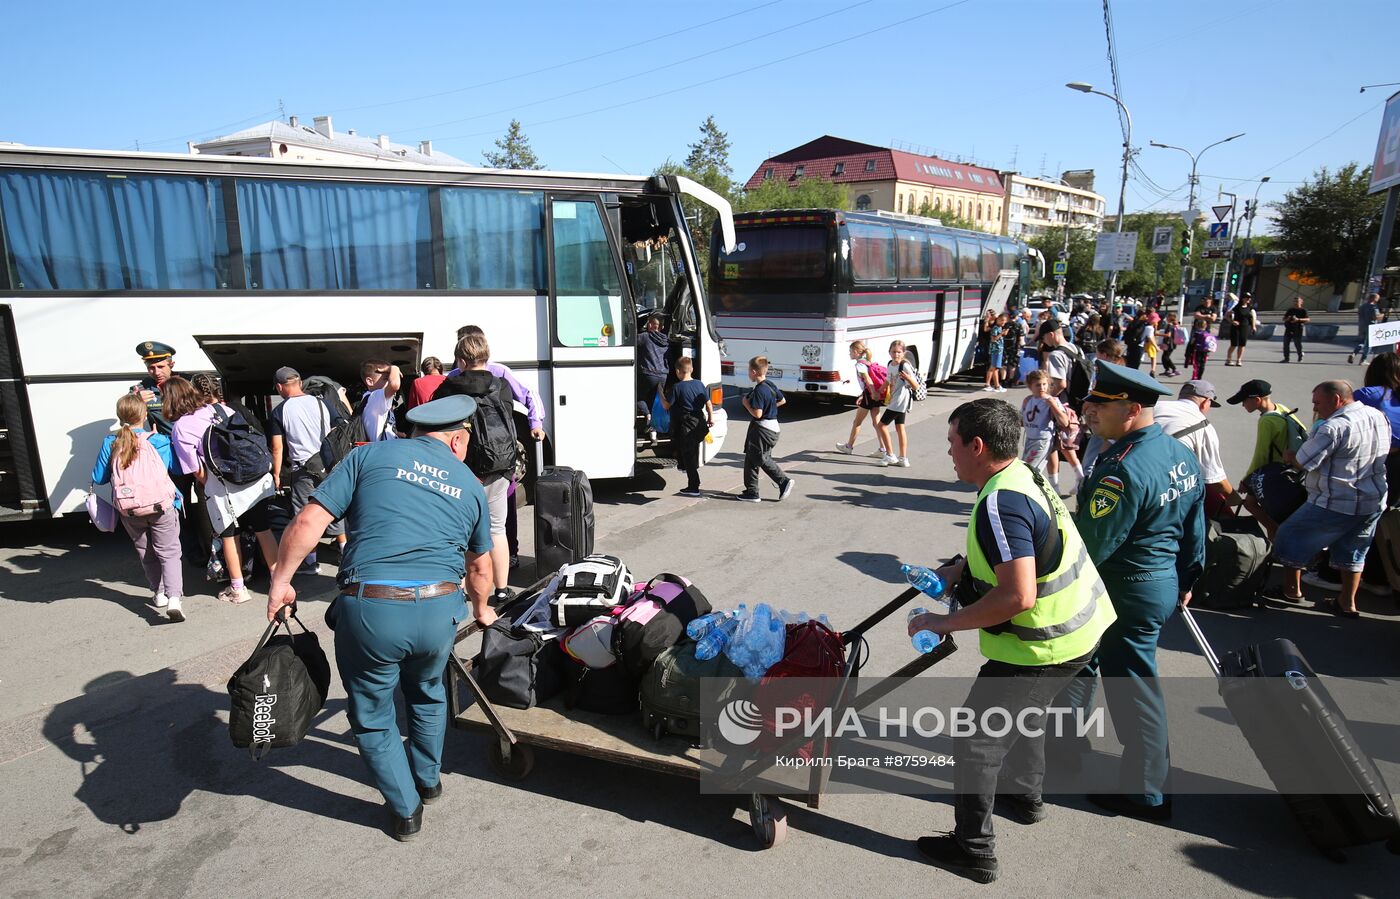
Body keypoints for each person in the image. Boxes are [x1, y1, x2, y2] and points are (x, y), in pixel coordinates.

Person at [266, 394, 495, 841]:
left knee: (373, 711)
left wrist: (281, 583)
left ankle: (405, 809)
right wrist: (483, 609)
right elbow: (480, 568)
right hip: (438, 609)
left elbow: (308, 523)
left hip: (372, 610)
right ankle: (428, 782)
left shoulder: (367, 456)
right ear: (457, 440)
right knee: (428, 692)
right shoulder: (469, 484)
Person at [909, 398, 1114, 885]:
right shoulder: (1023, 475)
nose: (950, 453)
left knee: (976, 742)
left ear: (977, 446)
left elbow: (1018, 595)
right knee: (1028, 713)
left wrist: (942, 624)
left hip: (1043, 643)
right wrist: (959, 569)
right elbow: (1024, 546)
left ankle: (973, 849)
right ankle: (1023, 796)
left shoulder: (1000, 502)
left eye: (952, 443)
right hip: (1080, 629)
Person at [1060, 361, 1206, 821]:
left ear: (1134, 409)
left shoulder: (1122, 468)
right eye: (1090, 402)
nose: (1088, 411)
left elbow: (1090, 546)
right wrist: (1188, 578)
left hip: (1124, 588)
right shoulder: (1177, 453)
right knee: (1083, 664)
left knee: (1133, 689)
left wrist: (1048, 587)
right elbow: (1194, 529)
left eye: (1101, 405)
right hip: (1155, 582)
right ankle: (1063, 749)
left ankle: (1147, 792)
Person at [1263, 381, 1389, 616]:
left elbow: (1305, 461)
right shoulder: (1377, 415)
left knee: (1289, 535)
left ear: (1337, 400)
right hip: (1373, 500)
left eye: (1318, 403)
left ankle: (1292, 590)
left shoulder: (1333, 427)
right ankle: (1347, 603)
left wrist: (1291, 456)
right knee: (1354, 550)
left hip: (1337, 500)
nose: (1315, 409)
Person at [166, 375, 279, 604]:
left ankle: (238, 588)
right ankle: (278, 579)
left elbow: (196, 470)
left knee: (229, 536)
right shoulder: (220, 409)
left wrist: (212, 482)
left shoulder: (181, 427)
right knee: (263, 529)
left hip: (222, 487)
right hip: (253, 479)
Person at [451, 325, 547, 570]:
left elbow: (529, 395)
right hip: (476, 456)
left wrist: (536, 423)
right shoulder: (454, 377)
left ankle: (509, 554)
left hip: (498, 452)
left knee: (504, 510)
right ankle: (484, 567)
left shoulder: (499, 373)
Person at [434, 333, 518, 605]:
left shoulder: (449, 386)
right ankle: (502, 590)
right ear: (486, 356)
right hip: (499, 466)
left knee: (457, 533)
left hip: (462, 469)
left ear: (460, 359)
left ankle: (458, 589)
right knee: (497, 530)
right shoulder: (501, 385)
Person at [92, 393, 185, 621]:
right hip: (161, 505)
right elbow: (176, 469)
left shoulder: (111, 442)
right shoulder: (158, 440)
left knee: (146, 552)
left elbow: (99, 477)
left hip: (130, 508)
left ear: (119, 416)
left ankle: (159, 592)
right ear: (144, 414)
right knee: (170, 552)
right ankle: (174, 599)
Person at [268, 366, 346, 568]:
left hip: (302, 470)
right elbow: (339, 429)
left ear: (279, 387)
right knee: (334, 507)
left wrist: (276, 474)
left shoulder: (279, 411)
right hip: (328, 466)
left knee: (304, 515)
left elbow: (277, 447)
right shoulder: (322, 403)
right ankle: (345, 551)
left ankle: (312, 563)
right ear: (300, 382)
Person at [1152, 381, 1242, 520]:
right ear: (1205, 402)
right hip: (1162, 489)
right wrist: (1234, 498)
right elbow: (1215, 479)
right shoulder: (1203, 426)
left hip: (1129, 469)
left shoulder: (1156, 406)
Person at [737, 356, 794, 503]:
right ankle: (752, 492)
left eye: (749, 370)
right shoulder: (770, 384)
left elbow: (758, 413)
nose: (748, 373)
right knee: (751, 458)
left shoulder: (759, 390)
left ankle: (783, 481)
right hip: (772, 427)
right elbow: (782, 400)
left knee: (760, 458)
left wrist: (746, 404)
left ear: (755, 372)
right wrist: (771, 408)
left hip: (762, 429)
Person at [1229, 379, 1309, 481]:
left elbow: (1261, 455)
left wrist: (1247, 479)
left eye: (1244, 400)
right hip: (1292, 468)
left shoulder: (1266, 421)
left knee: (1251, 496)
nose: (1242, 405)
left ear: (1257, 400)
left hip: (1274, 472)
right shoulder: (1281, 407)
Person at [659, 356, 713, 498]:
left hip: (686, 425)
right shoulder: (699, 384)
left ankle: (693, 487)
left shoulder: (677, 387)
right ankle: (689, 474)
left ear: (677, 371)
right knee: (692, 451)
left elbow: (666, 405)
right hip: (699, 423)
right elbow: (708, 403)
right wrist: (711, 418)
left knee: (688, 455)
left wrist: (659, 393)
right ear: (692, 369)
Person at [835, 340, 893, 462]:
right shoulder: (867, 362)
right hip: (871, 393)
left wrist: (872, 393)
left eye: (850, 351)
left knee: (857, 421)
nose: (849, 353)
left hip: (870, 394)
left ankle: (849, 446)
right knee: (876, 422)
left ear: (856, 352)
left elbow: (867, 379)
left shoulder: (860, 365)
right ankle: (883, 449)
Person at [1019, 371, 1067, 475]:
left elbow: (1064, 422)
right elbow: (1022, 421)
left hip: (1042, 440)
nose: (1042, 388)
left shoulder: (1051, 400)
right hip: (1029, 439)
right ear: (1030, 386)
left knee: (1028, 470)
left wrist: (1053, 405)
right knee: (1032, 469)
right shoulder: (1028, 400)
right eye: (1038, 385)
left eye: (1044, 384)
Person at [131, 341, 183, 435]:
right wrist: (136, 401)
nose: (156, 372)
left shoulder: (188, 383)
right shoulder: (141, 389)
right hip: (165, 445)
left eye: (160, 367)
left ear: (171, 365)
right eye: (151, 368)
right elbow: (126, 415)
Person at [882, 340, 920, 467]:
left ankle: (890, 455)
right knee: (900, 428)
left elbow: (916, 386)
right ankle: (903, 458)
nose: (896, 354)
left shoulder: (904, 366)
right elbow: (888, 380)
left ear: (903, 353)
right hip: (895, 399)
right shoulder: (890, 364)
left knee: (881, 425)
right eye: (893, 352)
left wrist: (908, 378)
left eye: (899, 352)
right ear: (889, 352)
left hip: (900, 400)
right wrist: (878, 391)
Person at [637, 313, 670, 438]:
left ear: (650, 325)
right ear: (661, 327)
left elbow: (629, 340)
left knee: (637, 398)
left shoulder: (645, 337)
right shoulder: (666, 340)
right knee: (653, 402)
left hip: (648, 374)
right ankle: (653, 433)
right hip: (663, 376)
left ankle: (647, 416)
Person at [360, 359, 402, 442]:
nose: (389, 381)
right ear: (370, 381)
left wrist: (397, 433)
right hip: (382, 451)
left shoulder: (371, 399)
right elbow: (394, 385)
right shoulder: (375, 397)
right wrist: (395, 368)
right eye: (386, 379)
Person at [1348, 293, 1383, 366]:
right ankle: (1363, 360)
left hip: (1362, 326)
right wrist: (1383, 315)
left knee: (1363, 342)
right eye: (1377, 298)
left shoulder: (1362, 306)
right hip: (1371, 327)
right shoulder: (1374, 307)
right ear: (1374, 299)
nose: (1378, 300)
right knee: (1369, 344)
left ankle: (1354, 353)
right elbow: (1375, 317)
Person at [1223, 294, 1257, 367]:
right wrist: (1232, 321)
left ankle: (1239, 360)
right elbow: (1226, 316)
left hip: (1245, 327)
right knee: (1234, 344)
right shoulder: (1236, 307)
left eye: (1249, 298)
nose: (1248, 299)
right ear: (1243, 299)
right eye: (1247, 298)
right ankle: (1228, 359)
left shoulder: (1250, 308)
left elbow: (1253, 318)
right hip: (1236, 327)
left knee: (1242, 344)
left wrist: (1253, 327)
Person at [1282, 296, 1310, 362]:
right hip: (1289, 328)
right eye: (1294, 301)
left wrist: (1298, 319)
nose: (1295, 303)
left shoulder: (1303, 310)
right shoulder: (1290, 310)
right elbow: (1284, 318)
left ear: (1301, 302)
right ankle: (1286, 358)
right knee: (1286, 344)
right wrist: (1288, 318)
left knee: (1297, 344)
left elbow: (1308, 319)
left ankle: (1300, 355)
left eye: (1297, 301)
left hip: (1298, 329)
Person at [983, 315, 1005, 393]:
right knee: (993, 368)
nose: (1003, 322)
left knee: (995, 368)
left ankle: (997, 385)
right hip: (996, 350)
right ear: (997, 320)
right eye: (1001, 320)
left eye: (1004, 321)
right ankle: (988, 384)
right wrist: (1001, 334)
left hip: (998, 350)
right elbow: (993, 339)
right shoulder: (995, 328)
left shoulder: (998, 328)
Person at [1158, 313, 1183, 378]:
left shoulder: (1169, 325)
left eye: (1167, 316)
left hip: (1169, 343)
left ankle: (1174, 369)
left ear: (1170, 318)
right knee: (1164, 357)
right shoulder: (1174, 325)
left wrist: (1157, 334)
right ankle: (1167, 370)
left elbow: (1168, 335)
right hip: (1171, 343)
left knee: (1166, 357)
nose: (1166, 318)